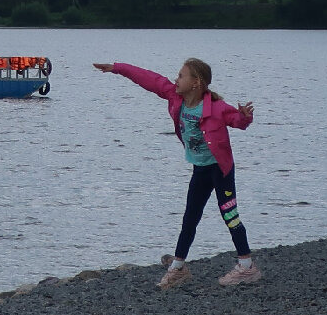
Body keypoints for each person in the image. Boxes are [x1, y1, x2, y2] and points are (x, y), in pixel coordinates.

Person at [94, 57, 262, 288]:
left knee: (230, 216)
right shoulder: (175, 97)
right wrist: (118, 68)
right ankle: (178, 268)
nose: (176, 79)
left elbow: (238, 122)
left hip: (220, 169)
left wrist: (245, 116)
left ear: (196, 82)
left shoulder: (217, 108)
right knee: (189, 218)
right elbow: (149, 78)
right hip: (200, 169)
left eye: (181, 75)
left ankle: (246, 267)